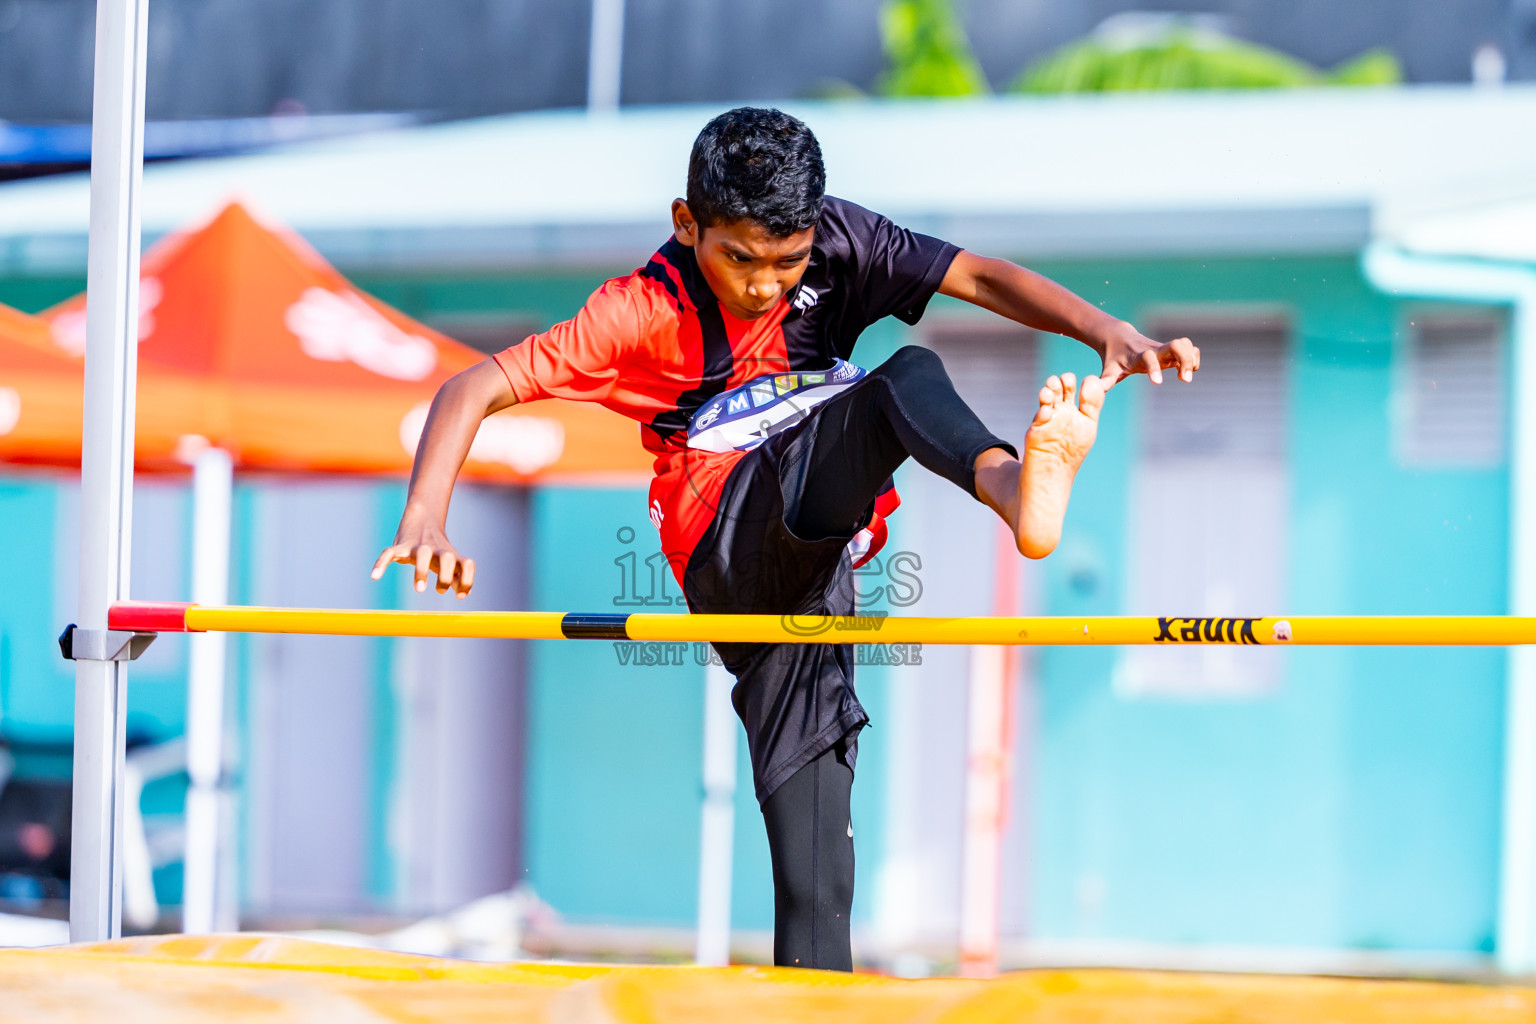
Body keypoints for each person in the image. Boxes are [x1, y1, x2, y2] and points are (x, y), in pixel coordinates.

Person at [373, 107, 1199, 971]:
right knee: (897, 381)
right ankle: (1006, 489)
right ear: (687, 224)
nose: (764, 286)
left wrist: (1106, 331)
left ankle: (1014, 491)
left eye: (786, 263)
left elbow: (982, 278)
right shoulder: (637, 311)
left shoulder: (845, 242)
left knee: (819, 889)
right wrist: (425, 515)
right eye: (739, 259)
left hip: (813, 578)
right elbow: (473, 387)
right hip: (723, 540)